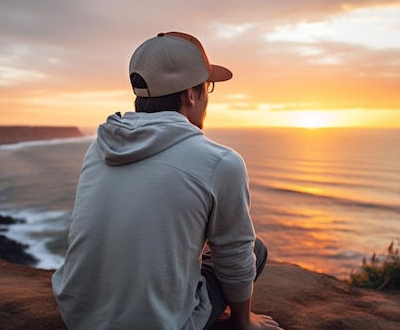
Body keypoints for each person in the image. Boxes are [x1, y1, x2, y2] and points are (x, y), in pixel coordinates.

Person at [52, 32, 282, 330]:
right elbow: (234, 253)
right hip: (158, 324)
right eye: (207, 87)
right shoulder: (221, 162)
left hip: (78, 316)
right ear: (191, 94)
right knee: (254, 249)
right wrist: (244, 322)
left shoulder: (99, 147)